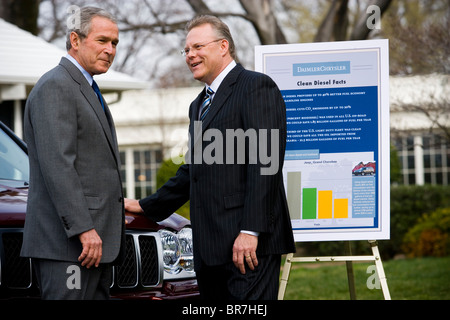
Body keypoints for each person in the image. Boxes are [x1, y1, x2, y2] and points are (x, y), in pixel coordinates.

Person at [125, 15, 295, 300]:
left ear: (223, 46)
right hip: (210, 251)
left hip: (247, 248)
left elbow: (265, 164)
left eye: (198, 47)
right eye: (187, 50)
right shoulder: (199, 105)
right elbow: (195, 170)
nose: (190, 55)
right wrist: (146, 205)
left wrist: (250, 232)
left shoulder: (256, 87)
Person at [21, 7, 124, 300]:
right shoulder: (56, 85)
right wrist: (83, 229)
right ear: (75, 40)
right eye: (102, 40)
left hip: (94, 246)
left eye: (115, 43)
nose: (110, 50)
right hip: (69, 246)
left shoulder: (85, 88)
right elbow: (58, 166)